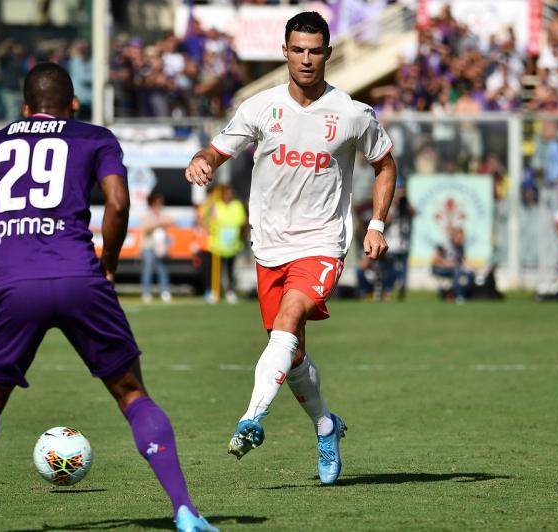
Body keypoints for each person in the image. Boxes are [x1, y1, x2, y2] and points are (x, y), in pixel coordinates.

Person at [0, 62, 215, 532]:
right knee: (132, 394)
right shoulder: (94, 137)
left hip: (14, 284)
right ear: (73, 104)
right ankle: (185, 509)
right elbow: (119, 202)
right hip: (81, 277)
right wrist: (107, 264)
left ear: (25, 108)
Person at [184, 12, 396, 485]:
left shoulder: (352, 114)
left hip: (322, 242)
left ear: (327, 54)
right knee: (291, 352)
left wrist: (377, 223)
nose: (306, 59)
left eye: (315, 50)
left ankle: (250, 419)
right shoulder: (260, 107)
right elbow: (218, 150)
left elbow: (384, 164)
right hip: (269, 246)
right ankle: (326, 425)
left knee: (290, 315)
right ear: (284, 52)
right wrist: (202, 161)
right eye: (297, 50)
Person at [207, 184, 247, 304]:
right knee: (216, 271)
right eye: (226, 193)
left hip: (233, 244)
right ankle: (215, 292)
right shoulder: (216, 206)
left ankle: (230, 291)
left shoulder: (237, 205)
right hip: (218, 244)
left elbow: (242, 221)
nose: (229, 195)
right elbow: (211, 221)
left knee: (230, 270)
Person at [140, 189, 174, 303]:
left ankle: (165, 291)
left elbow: (171, 222)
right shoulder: (146, 214)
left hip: (161, 247)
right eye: (158, 201)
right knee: (147, 270)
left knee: (162, 269)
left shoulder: (163, 214)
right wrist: (158, 224)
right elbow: (146, 229)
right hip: (149, 247)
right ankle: (146, 292)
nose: (160, 204)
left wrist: (161, 223)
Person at [431, 227, 473, 303]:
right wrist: (446, 263)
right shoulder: (444, 245)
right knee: (457, 271)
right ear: (454, 236)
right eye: (459, 237)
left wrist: (471, 267)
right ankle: (459, 296)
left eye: (462, 238)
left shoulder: (460, 247)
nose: (461, 239)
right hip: (440, 269)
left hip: (456, 269)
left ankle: (467, 295)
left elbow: (464, 260)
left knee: (470, 274)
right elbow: (435, 260)